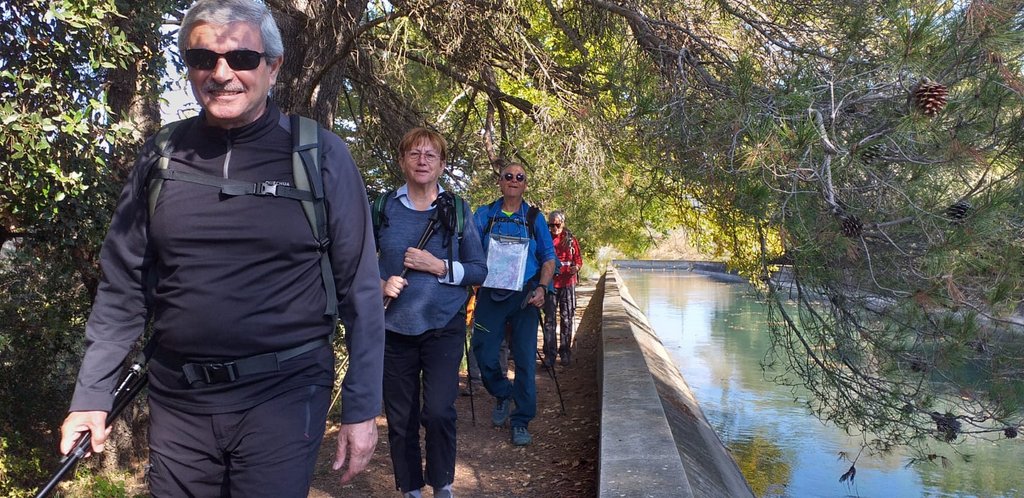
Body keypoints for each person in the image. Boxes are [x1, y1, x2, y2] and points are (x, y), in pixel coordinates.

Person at [57, 1, 385, 495]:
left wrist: (362, 411)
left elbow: (361, 290)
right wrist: (91, 394)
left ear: (273, 67)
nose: (222, 73)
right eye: (203, 59)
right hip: (179, 401)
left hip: (284, 395)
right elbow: (123, 286)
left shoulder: (319, 156)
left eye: (242, 59)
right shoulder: (162, 155)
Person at [377, 128, 487, 498]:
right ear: (402, 160)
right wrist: (378, 285)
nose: (422, 161)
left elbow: (478, 268)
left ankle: (442, 485)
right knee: (400, 418)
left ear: (441, 165)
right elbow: (354, 263)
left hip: (443, 325)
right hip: (394, 328)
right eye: (414, 154)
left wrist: (437, 266)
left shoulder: (457, 209)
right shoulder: (383, 208)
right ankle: (410, 489)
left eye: (430, 155)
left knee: (439, 412)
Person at [471, 162, 556, 446]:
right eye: (508, 176)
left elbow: (548, 257)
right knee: (482, 352)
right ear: (500, 181)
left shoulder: (535, 218)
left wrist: (543, 288)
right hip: (490, 296)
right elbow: (467, 249)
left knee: (524, 358)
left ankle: (521, 420)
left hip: (525, 298)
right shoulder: (484, 215)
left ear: (525, 184)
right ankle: (502, 393)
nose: (514, 180)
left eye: (520, 177)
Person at [542, 210, 583, 367]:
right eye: (551, 225)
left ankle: (565, 352)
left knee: (567, 319)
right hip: (550, 285)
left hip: (568, 284)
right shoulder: (544, 238)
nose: (554, 228)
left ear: (563, 224)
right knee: (549, 321)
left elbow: (578, 260)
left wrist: (576, 267)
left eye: (557, 225)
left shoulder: (570, 240)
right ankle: (549, 355)